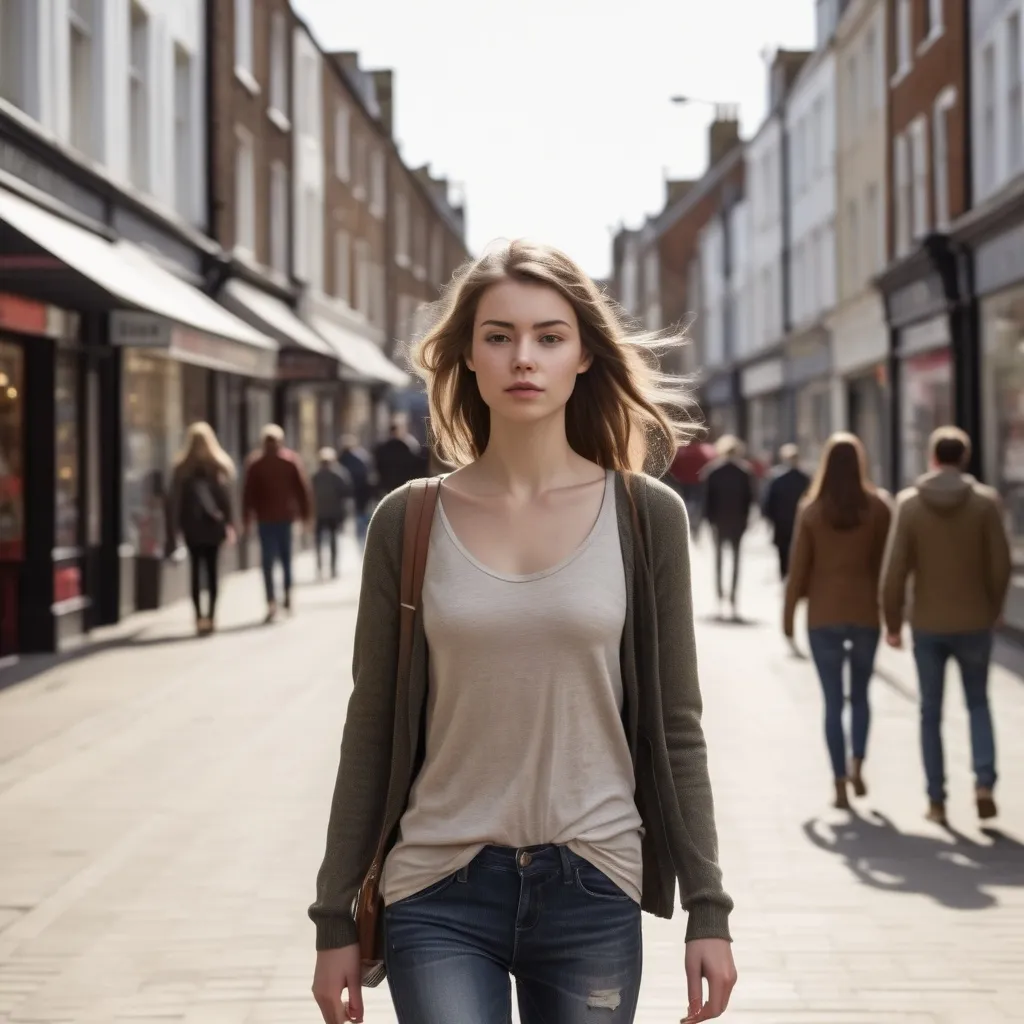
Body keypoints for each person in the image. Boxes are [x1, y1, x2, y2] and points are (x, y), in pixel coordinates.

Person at [309, 240, 737, 1024]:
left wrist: (708, 908)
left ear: (583, 357)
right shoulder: (408, 520)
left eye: (549, 335)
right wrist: (335, 918)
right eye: (498, 336)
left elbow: (679, 727)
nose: (523, 358)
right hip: (437, 887)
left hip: (593, 881)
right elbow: (370, 728)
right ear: (468, 357)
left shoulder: (647, 518)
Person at [880, 426, 1011, 825]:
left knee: (930, 712)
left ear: (934, 458)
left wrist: (892, 620)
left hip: (928, 624)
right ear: (964, 458)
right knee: (978, 703)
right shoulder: (986, 504)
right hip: (974, 621)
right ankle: (984, 783)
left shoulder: (910, 504)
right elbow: (1001, 565)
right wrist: (994, 608)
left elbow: (895, 569)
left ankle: (936, 800)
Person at [782, 434, 891, 809]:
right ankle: (858, 763)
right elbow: (886, 568)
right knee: (860, 695)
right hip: (865, 614)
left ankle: (839, 782)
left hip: (823, 617)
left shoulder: (811, 510)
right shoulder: (879, 507)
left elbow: (798, 570)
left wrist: (787, 618)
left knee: (832, 702)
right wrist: (893, 617)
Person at [166, 422, 236, 636]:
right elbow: (227, 500)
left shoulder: (182, 468)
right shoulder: (218, 465)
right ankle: (212, 617)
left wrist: (174, 528)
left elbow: (174, 502)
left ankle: (198, 618)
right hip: (213, 528)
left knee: (196, 572)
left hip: (192, 528)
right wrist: (230, 524)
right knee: (213, 573)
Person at [242, 424, 312, 623]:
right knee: (285, 559)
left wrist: (247, 519)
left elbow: (248, 495)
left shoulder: (256, 463)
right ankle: (287, 595)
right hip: (284, 517)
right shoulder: (289, 461)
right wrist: (306, 516)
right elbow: (302, 490)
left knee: (268, 562)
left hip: (266, 518)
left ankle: (272, 601)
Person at [700, 435, 757, 619]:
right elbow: (750, 500)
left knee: (718, 561)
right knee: (735, 561)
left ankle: (719, 599)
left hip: (718, 521)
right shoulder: (745, 471)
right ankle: (732, 599)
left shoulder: (713, 471)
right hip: (737, 522)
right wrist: (747, 519)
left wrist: (706, 521)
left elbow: (707, 500)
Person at [761, 443, 811, 579]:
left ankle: (786, 580)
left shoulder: (778, 479)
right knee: (796, 553)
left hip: (783, 523)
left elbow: (768, 504)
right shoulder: (804, 479)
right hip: (797, 523)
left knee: (784, 554)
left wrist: (770, 519)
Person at [312, 448, 353, 579]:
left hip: (324, 513)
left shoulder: (318, 476)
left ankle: (326, 567)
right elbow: (346, 493)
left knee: (326, 541)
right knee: (329, 541)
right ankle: (329, 568)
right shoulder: (338, 474)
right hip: (328, 513)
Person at [667, 439, 715, 536]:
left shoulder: (680, 451)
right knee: (697, 504)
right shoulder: (705, 451)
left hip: (682, 482)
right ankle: (694, 526)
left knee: (685, 502)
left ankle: (687, 524)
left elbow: (672, 467)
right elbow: (710, 465)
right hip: (698, 482)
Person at [373, 415, 425, 496]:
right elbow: (415, 464)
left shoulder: (382, 447)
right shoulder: (407, 445)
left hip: (388, 483)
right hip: (402, 483)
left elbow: (378, 465)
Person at [338, 435, 375, 546]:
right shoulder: (361, 456)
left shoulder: (342, 459)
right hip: (361, 491)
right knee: (360, 514)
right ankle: (361, 536)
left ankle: (357, 535)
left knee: (353, 514)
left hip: (349, 492)